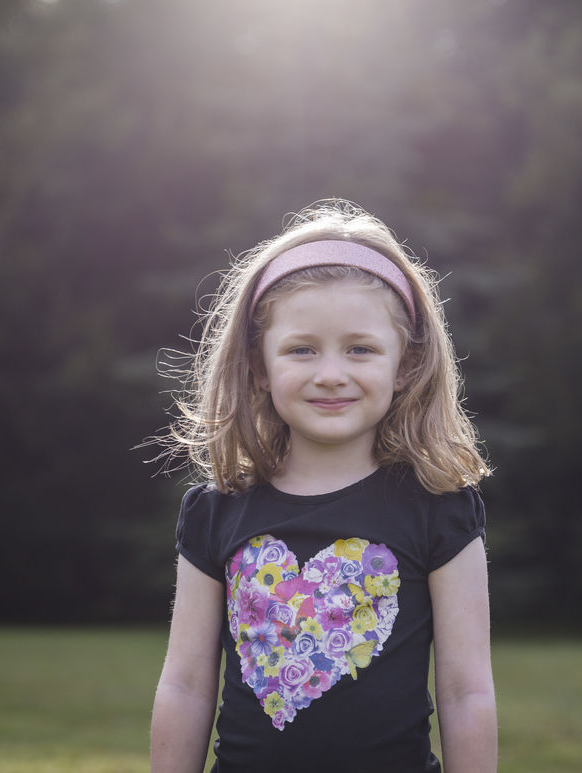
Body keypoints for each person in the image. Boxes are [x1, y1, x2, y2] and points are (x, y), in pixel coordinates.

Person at [149, 200, 496, 773]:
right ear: (259, 367)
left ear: (404, 365)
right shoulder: (216, 511)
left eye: (360, 349)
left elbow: (467, 694)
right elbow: (185, 686)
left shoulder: (441, 510)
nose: (331, 373)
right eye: (301, 349)